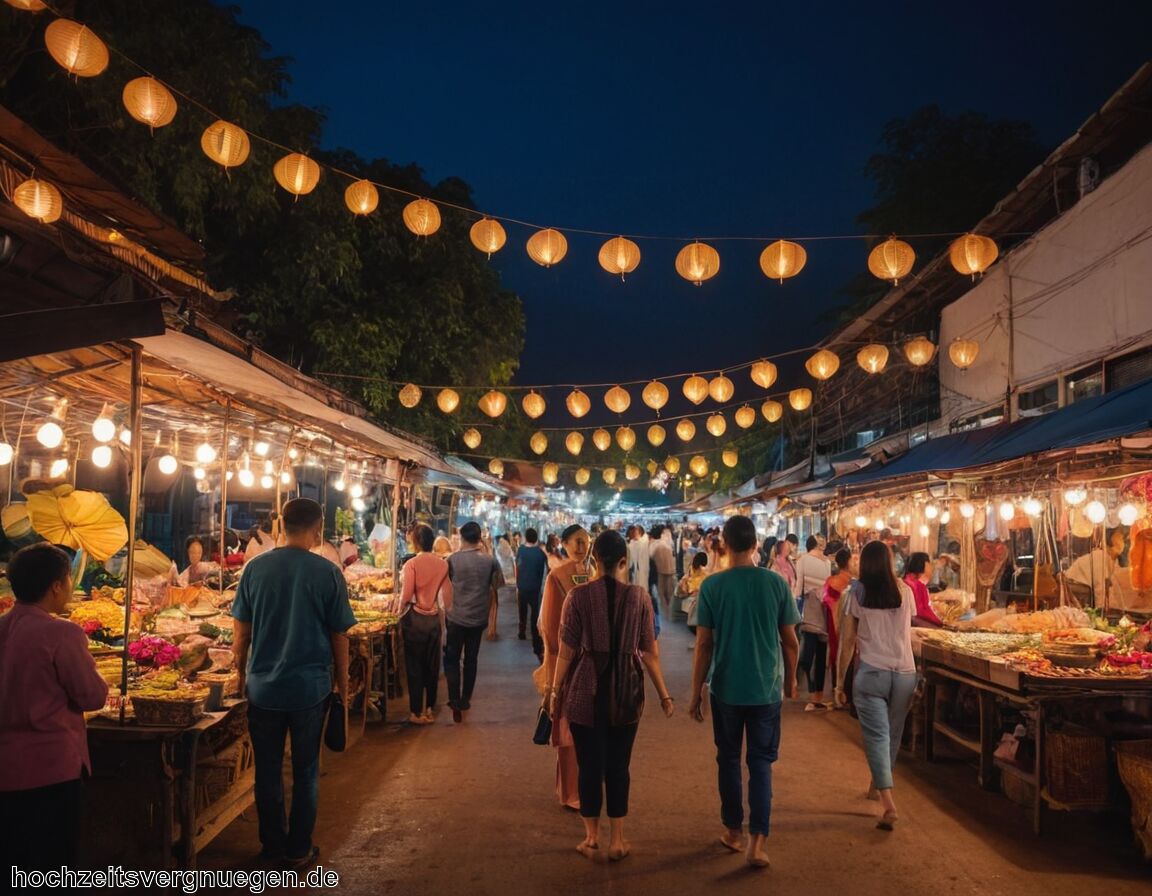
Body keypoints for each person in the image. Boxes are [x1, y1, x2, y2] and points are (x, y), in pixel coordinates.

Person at [232, 498, 357, 866]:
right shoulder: (326, 572)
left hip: (263, 689)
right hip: (309, 689)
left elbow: (241, 633)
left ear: (280, 525)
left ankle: (272, 847)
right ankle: (299, 848)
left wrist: (239, 675)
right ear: (318, 527)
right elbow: (340, 635)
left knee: (267, 770)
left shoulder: (255, 569)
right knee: (305, 772)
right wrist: (343, 685)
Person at [547, 530, 674, 861]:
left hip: (583, 693)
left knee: (589, 767)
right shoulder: (640, 598)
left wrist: (554, 691)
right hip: (626, 694)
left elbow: (566, 651)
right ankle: (618, 839)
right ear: (623, 561)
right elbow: (649, 653)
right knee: (619, 767)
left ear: (592, 560)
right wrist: (664, 695)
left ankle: (591, 838)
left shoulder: (577, 597)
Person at [689, 516, 800, 869]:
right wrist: (791, 680)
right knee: (761, 763)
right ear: (756, 545)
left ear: (724, 544)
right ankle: (757, 842)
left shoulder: (712, 586)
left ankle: (734, 832)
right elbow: (791, 641)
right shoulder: (776, 583)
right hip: (766, 687)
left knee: (728, 759)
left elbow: (704, 644)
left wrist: (696, 692)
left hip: (726, 687)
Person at [0, 543, 109, 871]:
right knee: (51, 866)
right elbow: (93, 696)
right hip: (49, 771)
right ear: (57, 586)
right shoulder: (61, 633)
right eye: (68, 580)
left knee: (11, 866)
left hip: (5, 770)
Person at [834, 540, 917, 832]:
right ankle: (877, 786)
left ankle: (889, 805)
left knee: (878, 738)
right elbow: (908, 628)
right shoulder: (905, 591)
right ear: (890, 561)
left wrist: (837, 682)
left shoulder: (856, 592)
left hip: (872, 675)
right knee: (892, 735)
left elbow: (847, 641)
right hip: (906, 673)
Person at [536, 524, 591, 810]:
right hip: (566, 661)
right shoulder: (556, 577)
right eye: (576, 542)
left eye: (585, 541)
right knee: (569, 728)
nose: (581, 547)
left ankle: (583, 787)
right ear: (566, 544)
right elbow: (548, 626)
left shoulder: (593, 574)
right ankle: (570, 791)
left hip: (590, 662)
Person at [445, 522, 503, 723]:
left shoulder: (452, 560)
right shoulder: (491, 561)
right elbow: (497, 587)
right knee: (471, 660)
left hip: (456, 617)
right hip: (478, 618)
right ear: (480, 538)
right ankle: (465, 699)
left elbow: (448, 584)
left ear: (461, 538)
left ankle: (453, 700)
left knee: (452, 659)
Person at [399, 524, 453, 725]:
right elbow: (447, 598)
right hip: (433, 620)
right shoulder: (443, 564)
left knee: (414, 667)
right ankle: (430, 708)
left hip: (415, 620)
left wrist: (398, 609)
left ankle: (415, 712)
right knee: (432, 665)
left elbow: (406, 595)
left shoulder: (411, 564)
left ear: (416, 542)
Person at [794, 535, 833, 711]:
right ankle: (817, 696)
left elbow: (798, 587)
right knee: (820, 653)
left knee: (807, 655)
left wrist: (794, 609)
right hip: (824, 611)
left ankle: (811, 695)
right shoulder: (827, 563)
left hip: (809, 611)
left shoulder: (802, 560)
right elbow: (827, 589)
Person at [823, 548, 855, 701]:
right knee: (846, 652)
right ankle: (842, 691)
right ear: (848, 562)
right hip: (844, 621)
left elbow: (827, 601)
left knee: (836, 651)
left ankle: (837, 689)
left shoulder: (830, 580)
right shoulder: (850, 583)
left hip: (832, 621)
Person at [1064, 527, 1126, 604]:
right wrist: (1103, 612)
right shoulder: (1099, 556)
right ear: (1111, 539)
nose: (1124, 542)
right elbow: (1100, 590)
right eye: (1121, 537)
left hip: (1086, 593)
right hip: (1073, 590)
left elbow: (1113, 586)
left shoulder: (1114, 561)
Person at [516, 527, 549, 660]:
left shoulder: (521, 550)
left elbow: (517, 566)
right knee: (535, 615)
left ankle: (522, 632)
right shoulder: (541, 554)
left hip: (522, 587)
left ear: (526, 537)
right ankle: (537, 644)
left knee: (522, 611)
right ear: (536, 538)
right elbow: (547, 571)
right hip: (536, 589)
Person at [678, 551, 710, 648]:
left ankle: (698, 641)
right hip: (696, 598)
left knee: (693, 622)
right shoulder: (704, 572)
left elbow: (686, 581)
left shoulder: (691, 569)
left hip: (689, 596)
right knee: (697, 623)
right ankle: (700, 641)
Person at [904, 552, 943, 628]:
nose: (931, 567)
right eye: (929, 563)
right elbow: (922, 612)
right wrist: (939, 623)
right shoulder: (917, 585)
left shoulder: (907, 581)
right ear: (924, 565)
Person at [650, 524, 677, 614]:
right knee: (669, 592)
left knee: (662, 592)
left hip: (661, 570)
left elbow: (651, 555)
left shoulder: (655, 544)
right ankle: (670, 610)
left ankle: (666, 611)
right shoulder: (666, 541)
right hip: (671, 569)